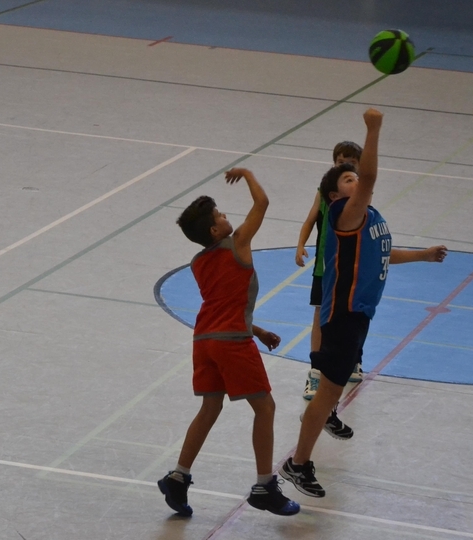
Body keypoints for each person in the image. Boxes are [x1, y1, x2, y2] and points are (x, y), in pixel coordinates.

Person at [280, 109, 448, 498]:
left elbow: (381, 253)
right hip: (344, 315)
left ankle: (310, 439)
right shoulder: (345, 213)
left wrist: (422, 255)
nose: (356, 179)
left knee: (330, 393)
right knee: (326, 393)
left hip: (360, 316)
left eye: (355, 176)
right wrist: (373, 130)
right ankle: (297, 463)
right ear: (334, 196)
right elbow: (370, 177)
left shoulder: (368, 216)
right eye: (347, 178)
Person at [158, 168, 299, 517]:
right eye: (220, 215)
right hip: (231, 341)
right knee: (265, 407)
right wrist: (248, 174)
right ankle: (264, 486)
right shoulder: (238, 243)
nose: (225, 217)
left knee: (210, 408)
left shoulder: (198, 262)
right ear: (214, 230)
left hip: (204, 339)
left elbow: (222, 305)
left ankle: (178, 477)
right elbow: (262, 203)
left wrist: (258, 331)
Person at [294, 141, 362, 441]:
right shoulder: (324, 194)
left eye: (351, 162)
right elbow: (311, 219)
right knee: (320, 316)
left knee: (353, 315)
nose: (344, 165)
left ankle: (354, 359)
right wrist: (300, 244)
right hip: (326, 268)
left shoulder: (361, 200)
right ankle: (315, 372)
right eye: (340, 161)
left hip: (353, 270)